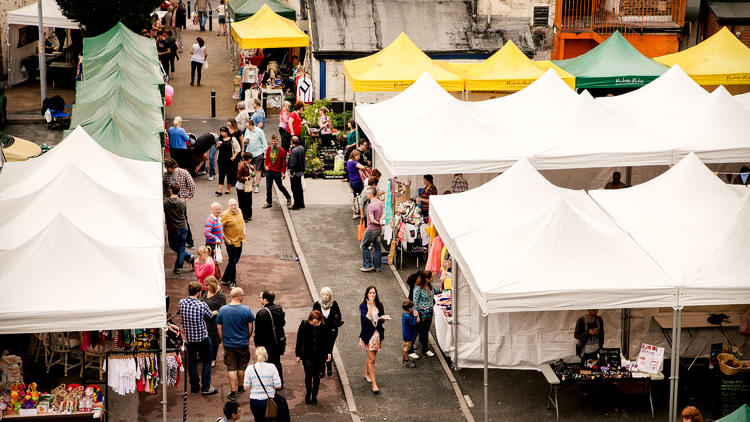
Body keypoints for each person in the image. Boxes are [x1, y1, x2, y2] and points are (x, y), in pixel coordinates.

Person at [179, 281, 218, 395]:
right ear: (199, 292)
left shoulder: (182, 303)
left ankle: (195, 386)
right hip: (202, 338)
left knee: (192, 363)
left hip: (189, 339)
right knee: (207, 361)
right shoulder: (202, 305)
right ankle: (206, 387)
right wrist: (216, 311)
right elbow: (210, 315)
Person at [217, 287, 255, 401]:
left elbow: (219, 327)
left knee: (231, 367)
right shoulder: (246, 310)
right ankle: (240, 387)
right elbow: (250, 327)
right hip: (243, 343)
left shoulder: (223, 310)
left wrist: (223, 339)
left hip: (229, 344)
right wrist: (246, 337)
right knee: (242, 366)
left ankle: (233, 392)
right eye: (242, 295)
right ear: (239, 296)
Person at [295, 310, 331, 405]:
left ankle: (314, 396)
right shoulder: (304, 325)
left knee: (316, 377)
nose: (315, 324)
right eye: (313, 322)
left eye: (317, 322)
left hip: (319, 356)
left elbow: (327, 341)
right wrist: (297, 355)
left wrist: (328, 353)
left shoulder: (323, 327)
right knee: (308, 376)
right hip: (307, 355)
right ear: (310, 320)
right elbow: (299, 340)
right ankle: (308, 393)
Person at [254, 290, 286, 387]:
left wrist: (257, 345)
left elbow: (258, 332)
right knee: (277, 362)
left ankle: (268, 384)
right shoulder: (279, 309)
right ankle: (279, 382)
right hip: (277, 342)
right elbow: (283, 323)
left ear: (265, 300)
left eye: (260, 298)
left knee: (266, 363)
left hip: (266, 343)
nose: (260, 299)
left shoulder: (261, 313)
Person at [360, 285, 388, 394]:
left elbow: (380, 318)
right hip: (368, 335)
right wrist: (370, 306)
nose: (372, 295)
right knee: (372, 360)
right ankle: (374, 384)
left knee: (372, 357)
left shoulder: (379, 304)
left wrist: (383, 318)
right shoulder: (363, 306)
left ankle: (367, 373)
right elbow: (365, 319)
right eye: (370, 293)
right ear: (367, 294)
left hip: (377, 334)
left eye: (374, 293)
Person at [163, 158, 196, 248]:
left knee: (184, 220)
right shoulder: (166, 175)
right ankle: (175, 241)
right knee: (170, 221)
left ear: (172, 167)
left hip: (181, 201)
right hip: (169, 201)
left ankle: (190, 241)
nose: (167, 170)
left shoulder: (183, 173)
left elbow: (192, 185)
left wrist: (189, 196)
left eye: (168, 168)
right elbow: (163, 186)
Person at [243, 346, 281, 421]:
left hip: (254, 400)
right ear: (266, 356)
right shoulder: (272, 367)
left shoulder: (250, 368)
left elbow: (246, 387)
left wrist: (255, 386)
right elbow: (278, 386)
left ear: (255, 356)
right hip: (268, 401)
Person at [164, 183, 194, 274]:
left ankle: (184, 262)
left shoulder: (165, 203)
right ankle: (185, 261)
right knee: (181, 247)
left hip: (173, 228)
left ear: (170, 190)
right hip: (183, 226)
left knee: (173, 246)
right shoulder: (182, 202)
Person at [312, 287, 342, 377]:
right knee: (322, 350)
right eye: (324, 295)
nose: (325, 297)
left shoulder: (334, 304)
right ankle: (322, 369)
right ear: (321, 295)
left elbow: (339, 316)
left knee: (329, 348)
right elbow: (313, 316)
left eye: (327, 295)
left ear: (330, 296)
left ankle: (329, 367)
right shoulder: (317, 304)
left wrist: (334, 326)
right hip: (320, 332)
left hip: (332, 331)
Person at [413, 272, 441, 357]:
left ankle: (424, 348)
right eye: (432, 277)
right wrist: (416, 315)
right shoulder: (418, 289)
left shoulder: (429, 285)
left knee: (425, 331)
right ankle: (412, 346)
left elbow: (434, 292)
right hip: (421, 313)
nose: (433, 277)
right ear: (427, 278)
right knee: (418, 330)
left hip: (429, 312)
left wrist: (441, 290)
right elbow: (415, 302)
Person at [220, 199, 245, 287]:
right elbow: (219, 228)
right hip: (231, 242)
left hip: (240, 239)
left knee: (234, 260)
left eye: (235, 204)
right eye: (232, 205)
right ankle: (232, 281)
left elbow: (242, 221)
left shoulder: (240, 211)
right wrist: (226, 239)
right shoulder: (225, 215)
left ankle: (224, 278)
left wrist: (244, 229)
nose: (234, 206)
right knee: (233, 261)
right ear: (228, 206)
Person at [201, 277, 225, 366]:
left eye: (208, 285)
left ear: (213, 285)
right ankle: (204, 355)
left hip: (214, 321)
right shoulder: (206, 292)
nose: (206, 287)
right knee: (205, 338)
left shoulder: (220, 295)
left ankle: (213, 359)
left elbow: (222, 309)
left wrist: (213, 312)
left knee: (214, 341)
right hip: (205, 320)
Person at [263, 134, 292, 209]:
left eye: (275, 141)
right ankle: (269, 202)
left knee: (280, 186)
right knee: (268, 187)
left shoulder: (281, 150)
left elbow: (283, 162)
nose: (273, 143)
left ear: (277, 141)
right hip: (269, 171)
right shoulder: (269, 148)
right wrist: (266, 165)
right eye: (272, 141)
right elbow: (267, 158)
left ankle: (288, 197)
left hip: (277, 172)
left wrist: (283, 172)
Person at [361, 187, 383, 272]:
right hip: (379, 230)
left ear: (370, 194)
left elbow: (372, 220)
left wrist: (378, 222)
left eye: (367, 193)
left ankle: (368, 265)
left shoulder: (370, 206)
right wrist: (381, 222)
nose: (366, 195)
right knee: (377, 247)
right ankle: (378, 267)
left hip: (371, 229)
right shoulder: (380, 203)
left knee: (364, 246)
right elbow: (384, 213)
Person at [243, 120, 267, 193]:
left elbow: (264, 142)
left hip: (259, 152)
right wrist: (245, 141)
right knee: (251, 169)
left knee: (258, 170)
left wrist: (265, 153)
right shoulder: (247, 130)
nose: (246, 127)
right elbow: (244, 140)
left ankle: (257, 186)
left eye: (247, 126)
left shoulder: (259, 131)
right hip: (250, 152)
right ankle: (253, 180)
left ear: (251, 125)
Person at [215, 127, 240, 196]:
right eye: (221, 132)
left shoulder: (232, 139)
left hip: (229, 159)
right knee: (221, 174)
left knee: (229, 174)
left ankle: (228, 189)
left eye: (223, 132)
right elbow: (217, 148)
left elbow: (238, 149)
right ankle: (219, 190)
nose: (221, 133)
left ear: (226, 132)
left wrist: (234, 157)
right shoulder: (220, 139)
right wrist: (217, 146)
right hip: (220, 159)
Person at [287, 136, 305, 210]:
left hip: (295, 172)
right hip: (300, 171)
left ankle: (296, 205)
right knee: (299, 188)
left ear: (291, 142)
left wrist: (291, 172)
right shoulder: (301, 148)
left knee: (295, 189)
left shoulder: (294, 151)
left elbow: (293, 163)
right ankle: (301, 203)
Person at [401, 300, 418, 368]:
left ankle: (405, 358)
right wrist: (415, 316)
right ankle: (406, 361)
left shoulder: (405, 314)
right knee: (405, 349)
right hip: (408, 335)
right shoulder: (408, 316)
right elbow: (413, 323)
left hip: (407, 334)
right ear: (409, 309)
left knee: (406, 347)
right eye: (412, 308)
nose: (413, 309)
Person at [236, 153, 253, 221]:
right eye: (251, 158)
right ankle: (244, 217)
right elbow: (238, 177)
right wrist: (246, 178)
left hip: (247, 185)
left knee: (248, 201)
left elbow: (250, 173)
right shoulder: (242, 166)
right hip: (242, 186)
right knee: (243, 202)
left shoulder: (248, 164)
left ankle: (248, 215)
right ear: (248, 159)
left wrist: (252, 170)